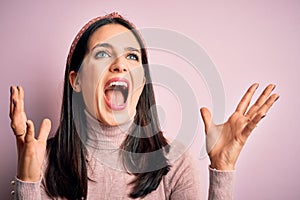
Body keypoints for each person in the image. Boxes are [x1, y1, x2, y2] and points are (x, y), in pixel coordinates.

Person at [9, 12, 279, 199]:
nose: (120, 64)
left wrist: (223, 171)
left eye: (132, 56)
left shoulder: (175, 162)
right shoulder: (41, 163)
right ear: (76, 80)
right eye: (102, 53)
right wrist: (28, 184)